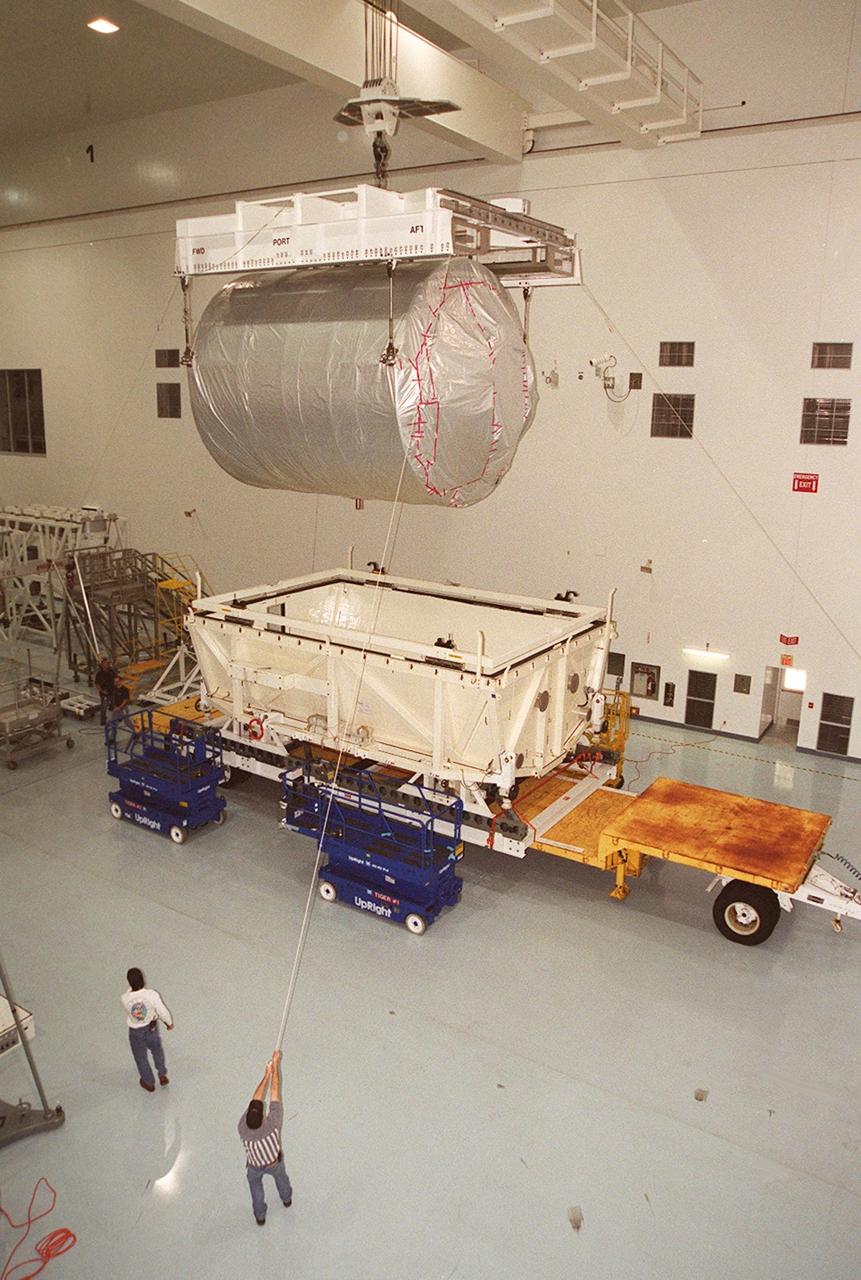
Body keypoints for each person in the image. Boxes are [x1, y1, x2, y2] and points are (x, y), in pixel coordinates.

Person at [238, 1051, 292, 1225]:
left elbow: (255, 1099)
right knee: (281, 1178)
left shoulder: (242, 1127)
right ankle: (286, 1199)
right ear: (262, 1118)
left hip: (254, 1166)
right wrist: (274, 1067)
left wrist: (266, 1074)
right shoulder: (272, 1125)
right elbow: (275, 1092)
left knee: (256, 1189)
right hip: (273, 1163)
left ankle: (260, 1215)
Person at [121, 967, 173, 1093]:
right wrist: (168, 1022)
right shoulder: (152, 995)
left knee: (140, 1057)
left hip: (136, 1032)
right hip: (151, 1028)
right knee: (157, 1050)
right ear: (143, 980)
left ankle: (148, 1082)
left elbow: (130, 997)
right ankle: (162, 1074)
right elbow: (162, 1010)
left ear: (129, 982)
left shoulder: (124, 998)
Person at [95, 657, 118, 726]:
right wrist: (102, 691)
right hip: (105, 693)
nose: (106, 665)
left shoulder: (111, 671)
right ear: (102, 665)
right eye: (105, 664)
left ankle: (117, 717)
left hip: (112, 691)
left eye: (107, 664)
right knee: (104, 707)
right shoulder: (99, 674)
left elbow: (116, 678)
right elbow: (97, 684)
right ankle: (103, 720)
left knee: (115, 704)